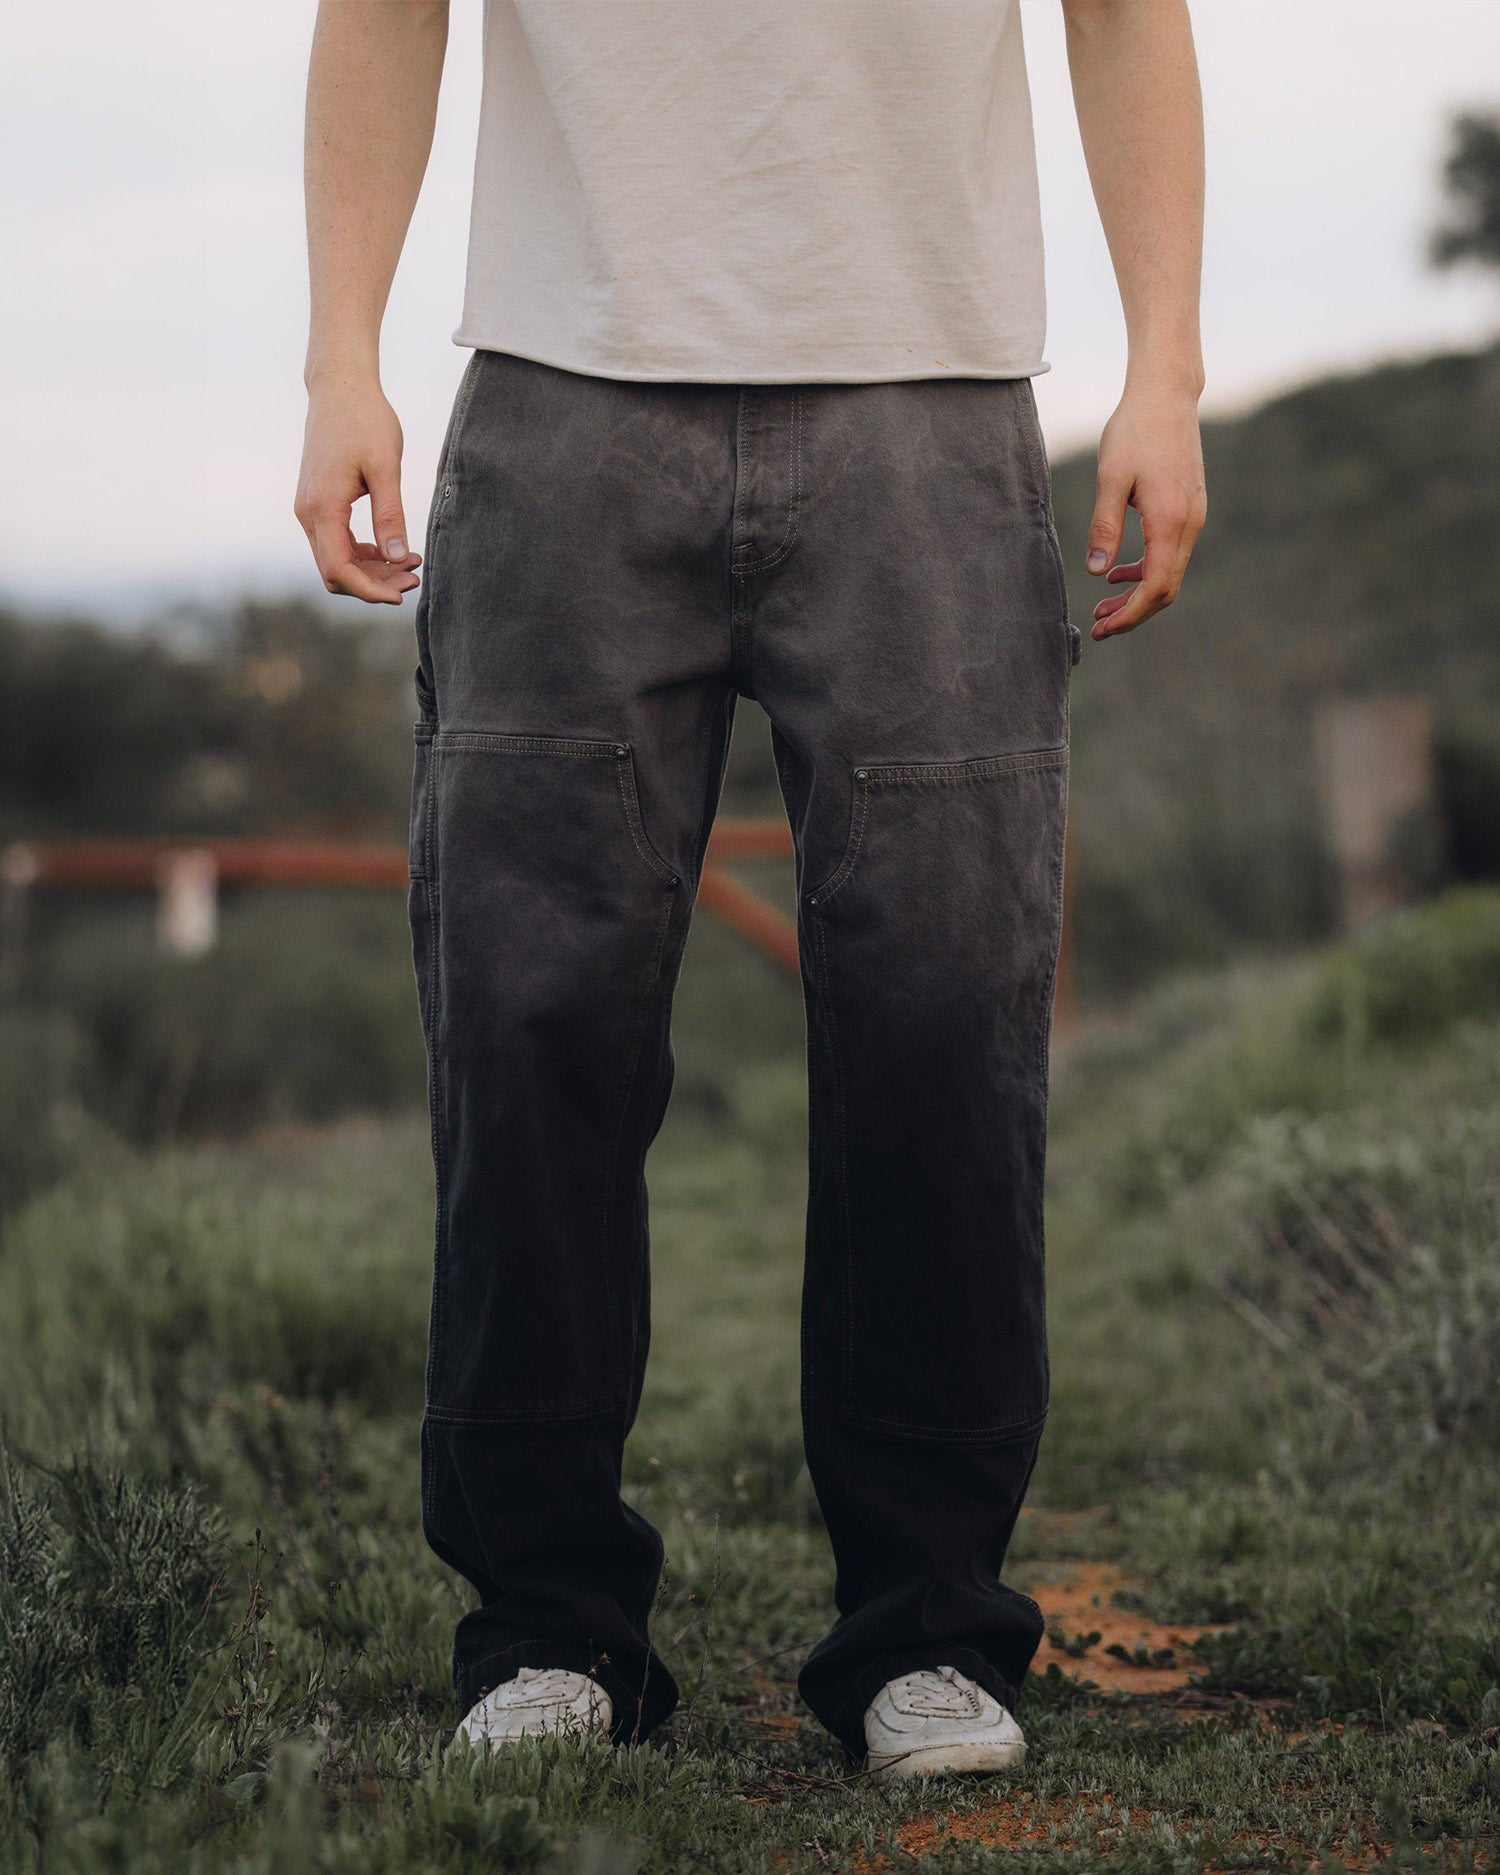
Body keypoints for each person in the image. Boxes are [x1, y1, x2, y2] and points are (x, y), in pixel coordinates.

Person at [295, 0, 1206, 1779]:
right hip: (562, 401)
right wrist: (342, 355)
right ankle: (547, 1629)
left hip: (928, 410)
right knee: (527, 1020)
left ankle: (927, 1633)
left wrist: (1163, 367)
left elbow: (1126, 10)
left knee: (946, 1022)